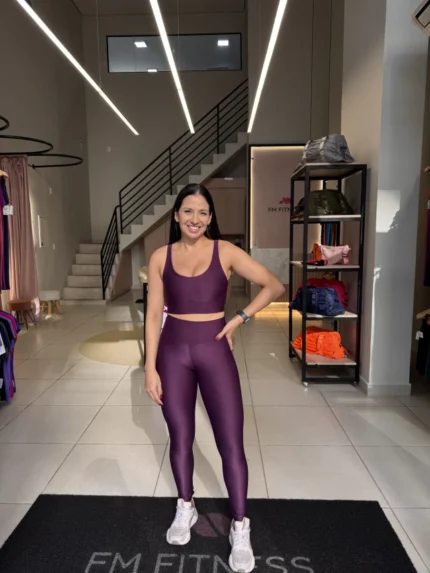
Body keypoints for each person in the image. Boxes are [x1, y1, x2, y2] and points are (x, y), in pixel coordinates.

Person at [145, 183, 285, 572]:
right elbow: (153, 315)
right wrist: (150, 367)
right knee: (180, 437)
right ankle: (185, 506)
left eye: (203, 212)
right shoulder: (160, 257)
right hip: (173, 354)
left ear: (210, 218)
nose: (195, 219)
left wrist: (239, 319)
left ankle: (240, 526)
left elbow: (274, 285)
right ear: (176, 215)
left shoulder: (226, 251)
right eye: (188, 211)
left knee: (230, 443)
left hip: (214, 351)